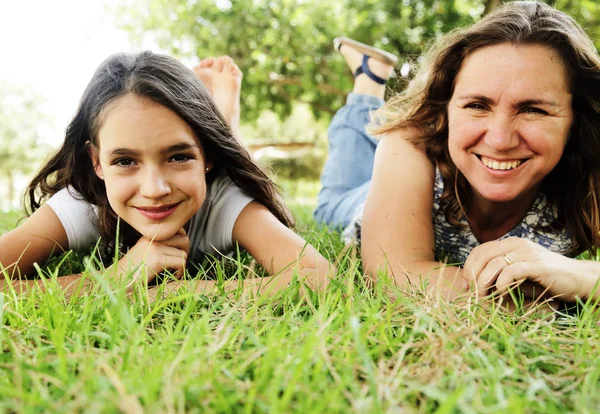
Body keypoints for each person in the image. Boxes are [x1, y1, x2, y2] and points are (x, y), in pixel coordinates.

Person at [315, 1, 600, 305]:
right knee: (332, 200)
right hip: (367, 201)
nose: (501, 140)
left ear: (577, 117)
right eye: (477, 105)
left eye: (533, 110)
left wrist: (578, 275)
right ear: (446, 108)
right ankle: (367, 83)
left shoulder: (591, 164)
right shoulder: (411, 145)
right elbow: (394, 277)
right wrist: (530, 297)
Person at [0, 52, 331, 298]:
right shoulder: (84, 202)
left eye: (178, 157)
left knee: (224, 138)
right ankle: (218, 114)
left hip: (214, 162)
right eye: (125, 161)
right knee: (206, 133)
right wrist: (117, 277)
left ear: (207, 157)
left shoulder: (224, 199)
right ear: (97, 162)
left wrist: (178, 292)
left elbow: (319, 277)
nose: (155, 189)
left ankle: (225, 111)